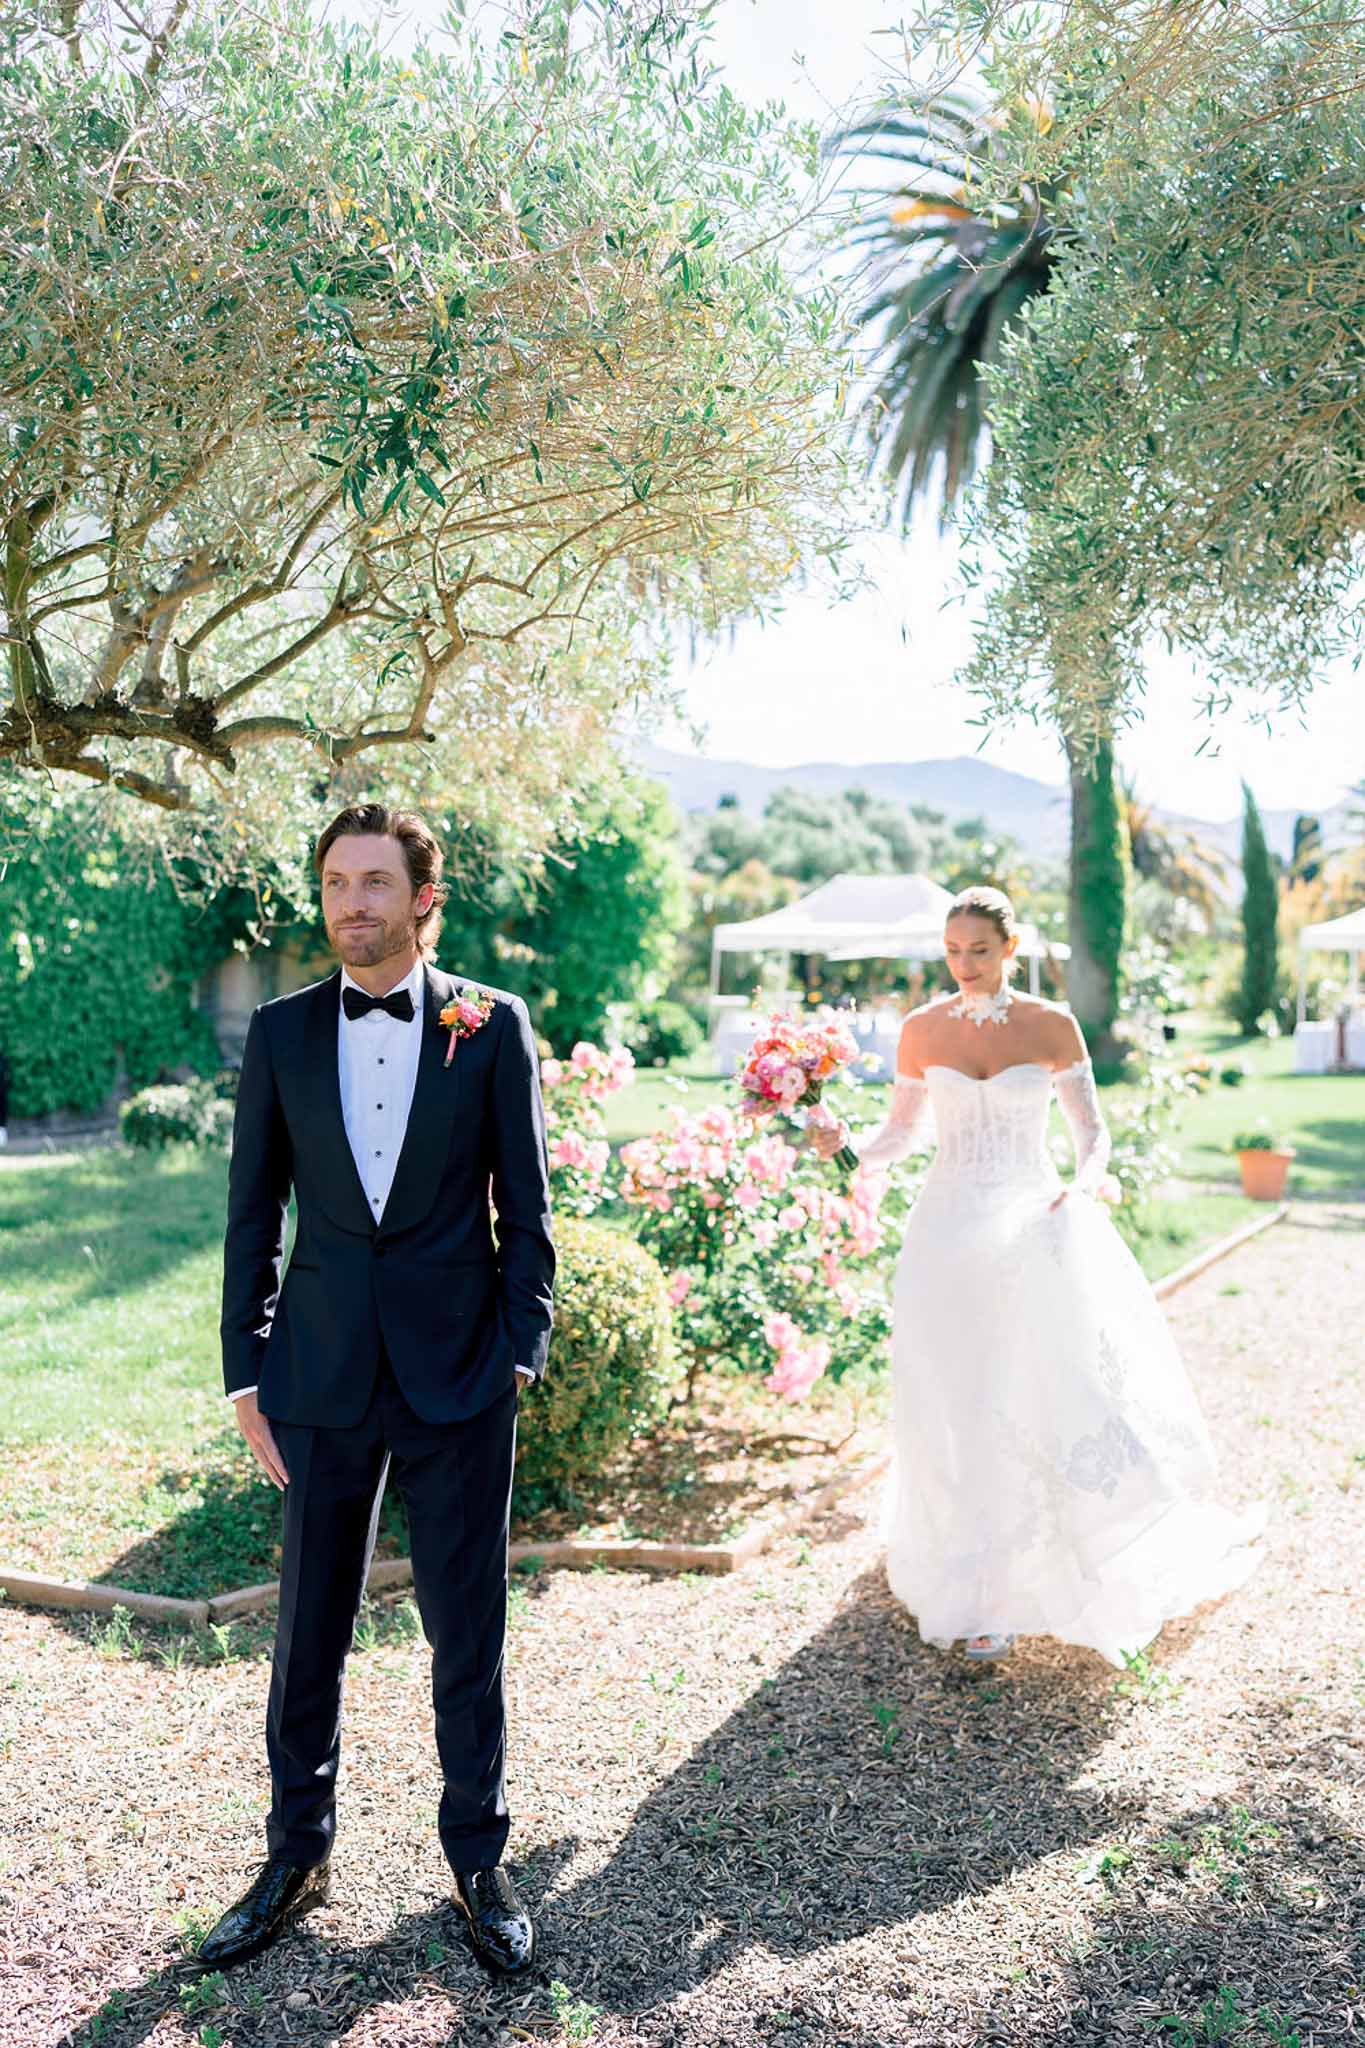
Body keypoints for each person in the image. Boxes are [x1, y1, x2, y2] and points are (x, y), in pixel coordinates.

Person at [200, 803, 554, 1974]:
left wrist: (516, 1350)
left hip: (460, 1376)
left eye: (376, 881)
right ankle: (294, 1858)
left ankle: (477, 1862)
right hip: (317, 1374)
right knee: (307, 1631)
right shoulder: (285, 1031)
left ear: (420, 898)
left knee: (468, 1631)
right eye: (338, 881)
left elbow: (528, 1213)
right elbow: (254, 1210)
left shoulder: (491, 1026)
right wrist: (244, 1372)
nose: (354, 900)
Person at [813, 885, 1261, 1665]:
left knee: (1043, 1393)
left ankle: (1060, 1568)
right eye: (952, 952)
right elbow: (898, 1135)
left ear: (1010, 949)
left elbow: (1093, 1134)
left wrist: (1081, 1190)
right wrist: (842, 1148)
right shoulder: (920, 1030)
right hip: (946, 1232)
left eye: (978, 951)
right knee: (955, 1397)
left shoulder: (1051, 1026)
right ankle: (975, 1580)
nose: (964, 966)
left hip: (1034, 1225)